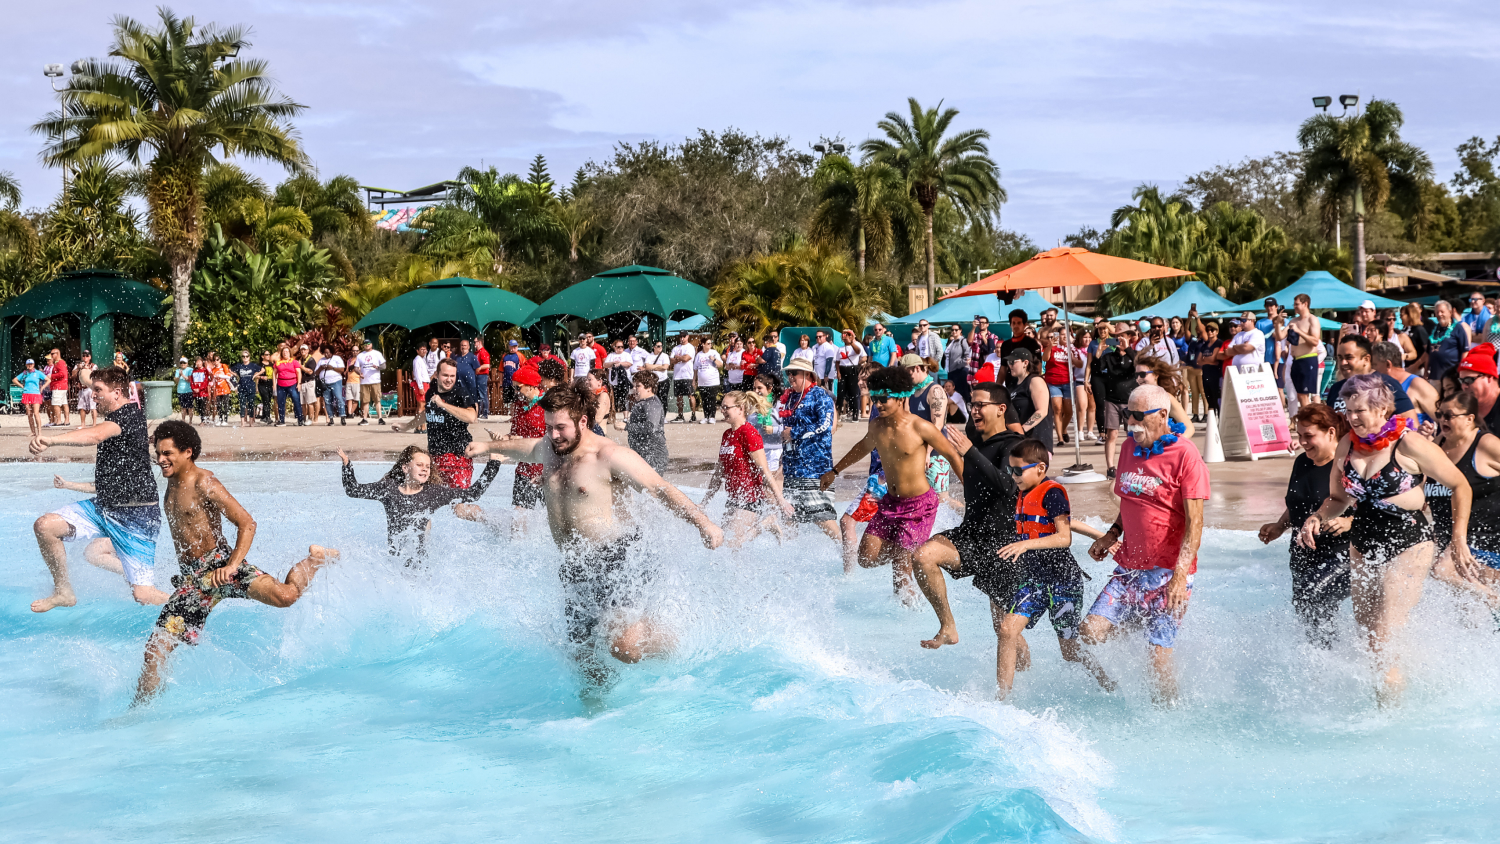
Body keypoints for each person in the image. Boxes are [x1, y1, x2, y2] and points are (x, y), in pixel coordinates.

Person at [466, 382, 723, 686]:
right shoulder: (549, 448)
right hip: (575, 565)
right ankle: (598, 721)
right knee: (583, 660)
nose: (553, 434)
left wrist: (702, 522)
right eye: (549, 427)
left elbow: (660, 488)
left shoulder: (609, 455)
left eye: (560, 427)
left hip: (619, 557)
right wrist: (489, 447)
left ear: (583, 421)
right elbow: (525, 446)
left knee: (623, 647)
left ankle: (671, 643)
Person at [1300, 374, 1474, 705]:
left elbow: (1460, 485)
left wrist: (1458, 536)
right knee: (1368, 636)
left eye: (1360, 410)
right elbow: (1337, 499)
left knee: (1384, 633)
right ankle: (1388, 692)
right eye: (1349, 411)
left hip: (1410, 540)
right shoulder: (1346, 445)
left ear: (1382, 408)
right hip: (1363, 543)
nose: (1352, 418)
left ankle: (1388, 717)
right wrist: (1316, 517)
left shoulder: (1409, 444)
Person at [132, 421, 334, 703]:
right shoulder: (170, 485)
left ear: (188, 452)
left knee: (286, 596)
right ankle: (139, 712)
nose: (160, 459)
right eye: (158, 453)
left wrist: (231, 566)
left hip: (222, 565)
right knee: (155, 649)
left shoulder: (205, 482)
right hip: (195, 581)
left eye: (167, 453)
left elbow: (247, 523)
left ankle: (315, 559)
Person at [1082, 384, 1209, 705]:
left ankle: (1169, 716)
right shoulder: (1128, 449)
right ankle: (1120, 693)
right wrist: (1112, 534)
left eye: (1139, 416)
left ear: (1163, 415)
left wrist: (1180, 576)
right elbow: (1130, 501)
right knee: (1090, 633)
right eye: (1128, 414)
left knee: (1157, 658)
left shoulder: (1185, 456)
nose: (1131, 423)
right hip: (1130, 567)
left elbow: (1196, 523)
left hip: (1169, 573)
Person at [980, 439, 1117, 698]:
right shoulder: (1023, 493)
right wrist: (1102, 536)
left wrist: (1026, 545)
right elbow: (1060, 522)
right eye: (1011, 470)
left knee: (1070, 652)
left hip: (1063, 581)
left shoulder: (1052, 492)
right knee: (1008, 629)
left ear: (1040, 468)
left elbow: (1064, 536)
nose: (1013, 476)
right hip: (1034, 580)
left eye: (1018, 470)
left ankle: (1108, 684)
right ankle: (1001, 701)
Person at [28, 366, 167, 612]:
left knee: (143, 595)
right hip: (103, 507)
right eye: (93, 390)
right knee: (45, 526)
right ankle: (63, 591)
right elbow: (89, 381)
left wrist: (52, 439)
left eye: (98, 390)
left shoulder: (127, 417)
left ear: (117, 392)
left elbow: (95, 435)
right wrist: (86, 372)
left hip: (136, 517)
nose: (93, 395)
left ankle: (191, 604)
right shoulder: (118, 404)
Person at [822, 367, 965, 597]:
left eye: (884, 399)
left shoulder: (920, 426)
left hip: (919, 505)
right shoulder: (878, 427)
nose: (878, 404)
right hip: (890, 503)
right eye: (875, 399)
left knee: (901, 579)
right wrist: (835, 470)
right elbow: (862, 447)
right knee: (865, 559)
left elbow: (952, 455)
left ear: (900, 397)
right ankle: (908, 551)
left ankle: (910, 613)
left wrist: (971, 489)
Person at [912, 382, 1025, 649]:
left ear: (1001, 409)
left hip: (1003, 545)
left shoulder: (1014, 445)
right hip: (971, 536)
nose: (974, 410)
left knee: (1005, 631)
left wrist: (969, 452)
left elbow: (1010, 487)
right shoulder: (974, 441)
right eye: (972, 404)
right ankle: (948, 627)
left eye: (980, 405)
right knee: (922, 556)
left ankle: (1022, 680)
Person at [1257, 403, 1350, 647]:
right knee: (1307, 611)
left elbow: (1376, 505)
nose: (1303, 442)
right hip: (1302, 553)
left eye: (1309, 436)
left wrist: (1349, 521)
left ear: (1331, 433)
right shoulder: (1302, 462)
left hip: (1339, 554)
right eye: (1299, 435)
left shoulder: (1347, 465)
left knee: (1315, 597)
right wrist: (1280, 525)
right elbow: (1299, 502)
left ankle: (1334, 659)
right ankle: (1325, 663)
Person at [339, 444, 500, 562]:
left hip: (420, 567)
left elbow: (473, 493)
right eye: (419, 465)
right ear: (405, 468)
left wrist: (494, 463)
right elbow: (352, 490)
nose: (425, 469)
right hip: (394, 562)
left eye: (428, 467)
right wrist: (347, 464)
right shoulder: (388, 489)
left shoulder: (433, 493)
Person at [1423, 391, 1500, 610]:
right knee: (1469, 619)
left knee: (1442, 571)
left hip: (1484, 537)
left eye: (1449, 415)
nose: (1442, 420)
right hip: (1449, 539)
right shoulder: (1437, 445)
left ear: (1470, 418)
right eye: (1439, 414)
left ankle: (1496, 600)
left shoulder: (1486, 445)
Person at [701, 390, 792, 547]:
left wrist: (781, 500)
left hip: (750, 498)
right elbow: (718, 473)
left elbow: (765, 471)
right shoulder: (727, 435)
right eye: (721, 407)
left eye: (726, 407)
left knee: (732, 544)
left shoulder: (749, 433)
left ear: (740, 408)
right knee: (718, 543)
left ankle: (766, 523)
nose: (722, 411)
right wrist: (704, 502)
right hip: (734, 498)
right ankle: (767, 523)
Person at [777, 358, 840, 541]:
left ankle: (848, 553)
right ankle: (790, 560)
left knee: (822, 518)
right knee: (789, 516)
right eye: (788, 373)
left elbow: (825, 426)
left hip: (814, 468)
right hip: (792, 467)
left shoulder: (821, 396)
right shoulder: (790, 397)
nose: (790, 377)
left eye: (794, 373)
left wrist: (794, 433)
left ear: (807, 375)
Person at [1324, 335, 1417, 419]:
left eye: (1349, 357)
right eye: (1340, 358)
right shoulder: (1336, 389)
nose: (1343, 363)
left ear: (1366, 359)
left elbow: (1410, 423)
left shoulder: (1386, 384)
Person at [422, 358, 480, 488]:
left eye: (452, 376)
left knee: (459, 504)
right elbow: (427, 413)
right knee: (431, 503)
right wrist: (407, 425)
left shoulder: (460, 393)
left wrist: (443, 405)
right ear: (436, 375)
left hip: (458, 458)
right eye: (445, 375)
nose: (449, 379)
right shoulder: (431, 392)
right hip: (434, 458)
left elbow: (472, 417)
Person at [506, 362, 553, 513]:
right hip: (525, 467)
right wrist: (505, 438)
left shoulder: (547, 405)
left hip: (547, 469)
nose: (515, 391)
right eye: (513, 387)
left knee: (553, 515)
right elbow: (515, 434)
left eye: (517, 387)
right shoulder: (520, 406)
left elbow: (555, 439)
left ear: (531, 386)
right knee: (519, 514)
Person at [1371, 341, 1437, 430]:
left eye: (1374, 365)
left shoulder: (1417, 384)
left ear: (1388, 364)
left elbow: (1443, 420)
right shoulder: (1379, 386)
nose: (1372, 370)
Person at [1132, 355, 1196, 438]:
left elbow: (1189, 428)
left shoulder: (1167, 398)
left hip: (1162, 448)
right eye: (1136, 375)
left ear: (1156, 375)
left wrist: (1173, 446)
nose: (1139, 378)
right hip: (1143, 448)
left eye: (1143, 374)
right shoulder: (1137, 398)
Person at [1004, 349, 1053, 452]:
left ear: (1025, 363)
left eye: (1013, 362)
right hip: (1019, 441)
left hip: (1035, 441)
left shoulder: (1035, 381)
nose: (1010, 366)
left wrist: (1021, 430)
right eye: (1009, 363)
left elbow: (1042, 411)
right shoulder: (1013, 385)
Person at [626, 371, 669, 474]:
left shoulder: (652, 403)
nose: (634, 389)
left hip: (653, 456)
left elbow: (650, 427)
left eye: (638, 386)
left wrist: (626, 426)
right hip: (644, 454)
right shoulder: (645, 402)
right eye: (634, 386)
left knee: (651, 488)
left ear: (649, 388)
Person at [1287, 294, 1323, 407]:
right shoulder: (1293, 320)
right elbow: (1280, 336)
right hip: (1296, 360)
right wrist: (1278, 324)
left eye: (1297, 304)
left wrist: (1298, 331)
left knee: (1304, 395)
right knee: (1300, 395)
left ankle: (1309, 421)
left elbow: (1315, 341)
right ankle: (1307, 420)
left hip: (1308, 359)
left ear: (1305, 304)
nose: (1294, 307)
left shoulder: (1312, 319)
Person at [1040, 326, 1073, 444]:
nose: (1064, 337)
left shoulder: (1072, 348)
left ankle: (1063, 429)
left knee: (1069, 411)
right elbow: (1045, 358)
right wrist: (1050, 346)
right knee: (1057, 408)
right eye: (1062, 334)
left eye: (1066, 334)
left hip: (1068, 382)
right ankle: (1060, 438)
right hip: (1053, 382)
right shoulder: (1052, 347)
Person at [1458, 342, 1500, 432]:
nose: (1464, 386)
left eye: (1469, 380)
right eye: (1461, 381)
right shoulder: (1463, 406)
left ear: (1489, 377)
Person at [1426, 300, 1471, 381]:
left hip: (1451, 375)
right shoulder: (1434, 329)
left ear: (1450, 312)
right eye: (1437, 312)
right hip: (1434, 375)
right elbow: (1428, 353)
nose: (1439, 314)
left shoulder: (1458, 328)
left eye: (1442, 312)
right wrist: (1426, 372)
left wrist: (1461, 371)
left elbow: (1465, 351)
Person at [751, 374, 784, 478]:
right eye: (754, 388)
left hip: (774, 451)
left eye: (759, 388)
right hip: (756, 450)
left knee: (769, 483)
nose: (756, 391)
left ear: (770, 389)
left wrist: (774, 429)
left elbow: (789, 427)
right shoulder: (752, 406)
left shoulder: (779, 406)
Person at [354, 340, 387, 425]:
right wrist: (359, 373)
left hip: (375, 380)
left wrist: (378, 367)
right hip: (364, 381)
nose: (367, 345)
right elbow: (356, 367)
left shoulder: (377, 353)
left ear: (371, 344)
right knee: (365, 401)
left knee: (377, 400)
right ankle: (365, 419)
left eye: (368, 344)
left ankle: (380, 418)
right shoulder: (360, 355)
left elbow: (384, 366)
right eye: (365, 344)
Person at [693, 337, 724, 424]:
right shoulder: (699, 355)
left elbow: (721, 364)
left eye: (711, 343)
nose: (710, 345)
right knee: (704, 399)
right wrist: (694, 380)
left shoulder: (714, 353)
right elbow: (695, 368)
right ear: (703, 344)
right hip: (702, 382)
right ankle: (706, 416)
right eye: (708, 343)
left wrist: (713, 359)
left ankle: (712, 416)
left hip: (713, 381)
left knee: (712, 399)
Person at [836, 329, 865, 421]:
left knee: (854, 392)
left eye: (848, 334)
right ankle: (838, 413)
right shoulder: (840, 348)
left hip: (852, 369)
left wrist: (852, 342)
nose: (846, 336)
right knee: (841, 393)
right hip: (843, 370)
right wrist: (838, 372)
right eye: (844, 335)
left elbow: (858, 352)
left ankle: (855, 414)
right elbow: (837, 361)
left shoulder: (857, 345)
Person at [668, 333, 698, 423]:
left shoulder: (690, 347)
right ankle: (680, 415)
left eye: (684, 336)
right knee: (679, 397)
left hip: (687, 375)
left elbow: (686, 358)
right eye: (680, 336)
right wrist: (680, 358)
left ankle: (693, 415)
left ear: (687, 337)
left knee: (690, 395)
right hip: (677, 376)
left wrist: (677, 358)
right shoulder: (676, 348)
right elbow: (671, 360)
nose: (682, 338)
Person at [605, 338, 635, 424]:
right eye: (618, 347)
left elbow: (629, 364)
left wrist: (620, 364)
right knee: (613, 399)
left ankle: (626, 417)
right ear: (614, 347)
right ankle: (611, 417)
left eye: (622, 347)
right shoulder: (611, 355)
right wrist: (613, 363)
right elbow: (605, 365)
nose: (620, 348)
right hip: (614, 381)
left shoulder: (626, 355)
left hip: (624, 380)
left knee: (625, 398)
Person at [14, 359, 47, 437]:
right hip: (26, 394)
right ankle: (33, 432)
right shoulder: (25, 373)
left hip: (36, 394)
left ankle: (39, 432)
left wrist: (42, 388)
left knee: (36, 413)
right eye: (28, 364)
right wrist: (22, 386)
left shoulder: (38, 373)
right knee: (29, 414)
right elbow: (14, 380)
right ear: (26, 365)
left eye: (31, 364)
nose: (30, 365)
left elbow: (48, 380)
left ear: (34, 364)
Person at [273, 349, 305, 426]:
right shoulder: (278, 363)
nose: (285, 353)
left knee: (296, 401)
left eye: (287, 352)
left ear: (289, 353)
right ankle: (282, 420)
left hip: (292, 384)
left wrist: (299, 383)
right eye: (284, 352)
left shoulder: (294, 362)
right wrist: (274, 384)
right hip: (281, 384)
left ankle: (300, 419)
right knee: (281, 403)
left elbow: (298, 372)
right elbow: (274, 374)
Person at [230, 350, 260, 427]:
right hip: (241, 387)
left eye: (246, 356)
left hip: (251, 387)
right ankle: (242, 423)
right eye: (243, 356)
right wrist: (236, 375)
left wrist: (255, 375)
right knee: (242, 405)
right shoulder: (239, 366)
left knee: (251, 404)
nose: (245, 358)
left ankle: (250, 422)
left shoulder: (253, 365)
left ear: (249, 357)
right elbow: (229, 370)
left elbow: (262, 369)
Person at [409, 346, 431, 434]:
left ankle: (418, 426)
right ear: (417, 351)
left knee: (420, 406)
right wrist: (421, 387)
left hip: (425, 383)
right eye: (421, 349)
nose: (424, 351)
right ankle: (422, 426)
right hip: (421, 384)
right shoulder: (417, 360)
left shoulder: (423, 359)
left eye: (425, 349)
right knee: (422, 406)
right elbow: (417, 374)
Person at [45, 349, 70, 428]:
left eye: (53, 354)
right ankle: (67, 421)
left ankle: (58, 421)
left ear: (57, 354)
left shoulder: (60, 363)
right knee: (64, 403)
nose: (51, 356)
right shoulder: (60, 363)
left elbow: (62, 374)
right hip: (62, 386)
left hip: (58, 386)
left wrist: (51, 376)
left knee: (56, 404)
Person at [73, 350, 97, 428]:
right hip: (81, 388)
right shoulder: (78, 365)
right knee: (81, 407)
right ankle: (83, 424)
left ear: (90, 357)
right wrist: (79, 368)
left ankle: (94, 424)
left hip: (90, 388)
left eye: (87, 356)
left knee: (93, 406)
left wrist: (88, 369)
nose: (85, 357)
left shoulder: (93, 366)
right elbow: (72, 375)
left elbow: (95, 376)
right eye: (83, 356)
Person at [812, 330, 839, 395]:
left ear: (825, 337)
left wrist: (826, 375)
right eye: (816, 337)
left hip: (825, 376)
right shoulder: (814, 347)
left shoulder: (828, 347)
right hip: (817, 375)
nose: (818, 338)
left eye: (820, 336)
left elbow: (829, 361)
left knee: (827, 394)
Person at [189, 356, 212, 425]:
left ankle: (203, 420)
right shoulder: (194, 371)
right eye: (197, 362)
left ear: (202, 362)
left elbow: (206, 381)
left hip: (203, 392)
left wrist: (200, 389)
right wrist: (193, 388)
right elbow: (191, 381)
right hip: (196, 392)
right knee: (198, 407)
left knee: (203, 406)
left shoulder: (205, 371)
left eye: (199, 361)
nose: (198, 363)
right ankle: (202, 419)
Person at [253, 351, 275, 423]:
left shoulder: (271, 364)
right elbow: (255, 376)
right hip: (262, 385)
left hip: (270, 384)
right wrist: (261, 378)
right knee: (266, 400)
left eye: (269, 354)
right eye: (266, 355)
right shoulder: (259, 365)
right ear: (263, 356)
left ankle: (264, 416)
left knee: (268, 400)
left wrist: (274, 384)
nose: (268, 356)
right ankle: (268, 417)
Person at [501, 340, 523, 408]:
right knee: (507, 401)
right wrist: (500, 382)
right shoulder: (505, 356)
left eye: (515, 346)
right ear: (509, 346)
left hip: (515, 382)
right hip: (506, 382)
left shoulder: (520, 356)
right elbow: (501, 370)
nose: (513, 348)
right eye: (512, 346)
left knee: (515, 400)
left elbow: (524, 369)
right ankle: (509, 414)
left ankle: (514, 415)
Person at [473, 337, 491, 419]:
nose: (474, 344)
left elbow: (487, 365)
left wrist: (479, 368)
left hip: (482, 375)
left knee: (483, 394)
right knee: (478, 395)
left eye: (475, 342)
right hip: (477, 375)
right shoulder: (476, 352)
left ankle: (485, 413)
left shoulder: (483, 352)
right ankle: (479, 412)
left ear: (479, 342)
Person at [172, 355, 194, 422]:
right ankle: (183, 421)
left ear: (187, 363)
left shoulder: (190, 369)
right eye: (181, 363)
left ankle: (190, 421)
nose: (183, 364)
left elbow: (189, 380)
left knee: (190, 407)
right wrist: (178, 375)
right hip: (180, 391)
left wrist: (182, 375)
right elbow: (176, 381)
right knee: (183, 407)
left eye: (184, 363)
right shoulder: (178, 370)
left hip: (189, 391)